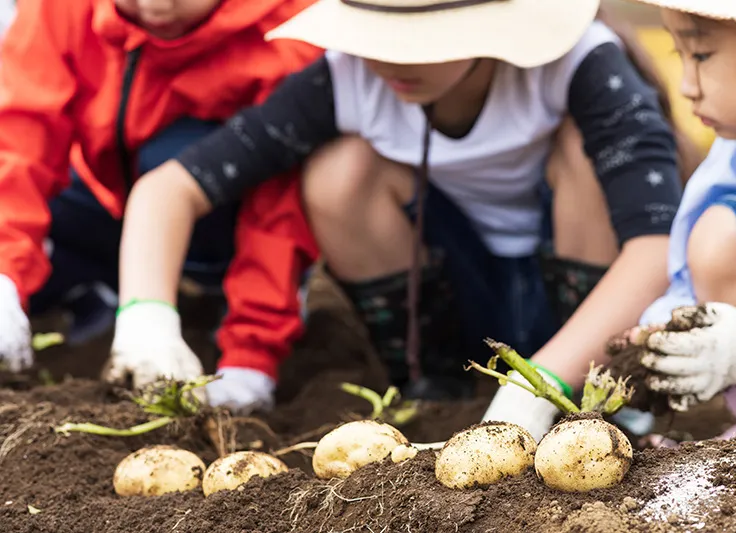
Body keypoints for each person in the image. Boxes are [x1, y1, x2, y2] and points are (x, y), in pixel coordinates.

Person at [116, 0, 685, 432]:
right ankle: (434, 382)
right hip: (453, 293)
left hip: (588, 306)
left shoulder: (581, 67)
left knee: (585, 157)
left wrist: (544, 383)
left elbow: (656, 246)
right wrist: (146, 318)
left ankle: (601, 403)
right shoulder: (349, 76)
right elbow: (170, 189)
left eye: (418, 40)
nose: (388, 60)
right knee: (340, 171)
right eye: (376, 35)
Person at [0, 0, 321, 412]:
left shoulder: (288, 29)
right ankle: (101, 290)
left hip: (212, 221)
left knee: (173, 153)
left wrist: (251, 356)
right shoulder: (59, 8)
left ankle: (215, 293)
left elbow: (278, 209)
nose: (157, 5)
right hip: (106, 194)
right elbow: (21, 141)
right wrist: (6, 272)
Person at [624, 0, 736, 439]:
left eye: (701, 55)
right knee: (721, 235)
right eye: (678, 55)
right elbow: (692, 268)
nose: (687, 86)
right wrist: (666, 326)